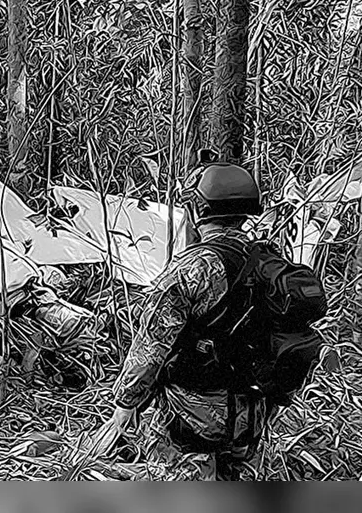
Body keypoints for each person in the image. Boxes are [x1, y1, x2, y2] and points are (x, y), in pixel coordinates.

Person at [91, 158, 276, 481]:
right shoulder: (270, 261)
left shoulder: (192, 269)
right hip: (252, 414)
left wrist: (125, 404)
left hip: (192, 417)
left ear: (197, 211)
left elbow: (151, 346)